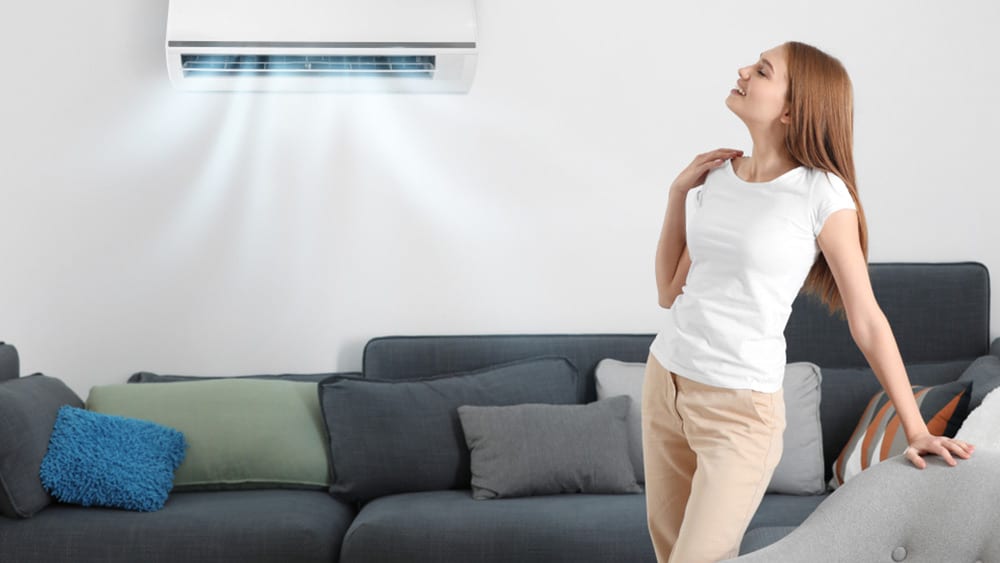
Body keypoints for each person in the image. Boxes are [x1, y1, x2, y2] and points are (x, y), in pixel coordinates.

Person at [641, 41, 977, 563]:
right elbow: (668, 292)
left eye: (762, 70)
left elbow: (865, 318)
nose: (743, 70)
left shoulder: (822, 194)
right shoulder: (714, 179)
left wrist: (915, 427)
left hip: (739, 411)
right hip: (666, 383)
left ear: (794, 108)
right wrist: (677, 193)